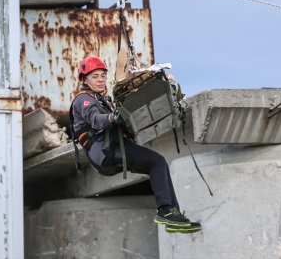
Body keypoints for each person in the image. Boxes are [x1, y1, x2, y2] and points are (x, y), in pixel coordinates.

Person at [69, 56, 203, 234]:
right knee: (157, 162)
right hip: (104, 151)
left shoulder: (104, 100)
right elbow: (96, 120)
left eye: (102, 75)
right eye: (95, 76)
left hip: (112, 148)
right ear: (84, 80)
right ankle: (165, 210)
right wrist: (112, 117)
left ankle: (173, 213)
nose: (100, 79)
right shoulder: (83, 100)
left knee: (158, 164)